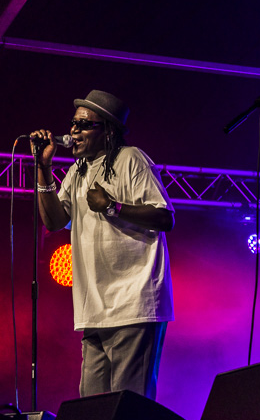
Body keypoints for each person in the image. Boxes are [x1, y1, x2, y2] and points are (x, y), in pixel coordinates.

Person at [31, 89, 174, 400]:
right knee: (91, 409)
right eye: (73, 124)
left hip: (134, 303)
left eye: (84, 125)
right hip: (94, 306)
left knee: (128, 406)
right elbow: (54, 222)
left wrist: (113, 206)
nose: (73, 131)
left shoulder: (131, 159)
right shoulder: (76, 172)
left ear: (108, 131)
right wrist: (42, 168)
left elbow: (165, 218)